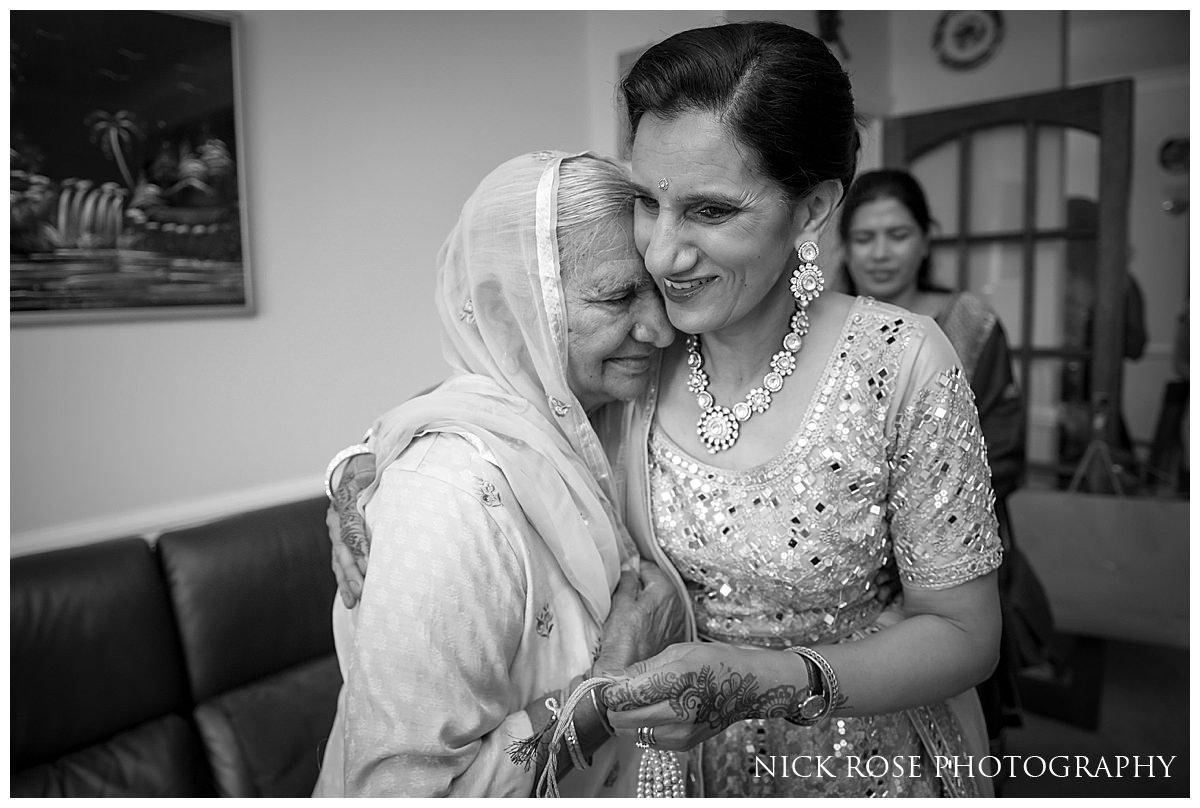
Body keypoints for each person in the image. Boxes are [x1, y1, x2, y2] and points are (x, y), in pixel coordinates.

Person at [332, 21, 1001, 799]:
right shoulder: (640, 355)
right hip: (670, 767)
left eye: (711, 211)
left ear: (813, 209)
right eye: (648, 200)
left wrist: (766, 682)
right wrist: (363, 473)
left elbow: (965, 634)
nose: (661, 253)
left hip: (853, 757)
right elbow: (489, 403)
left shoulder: (900, 363)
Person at [311, 151, 688, 797]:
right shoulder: (443, 503)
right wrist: (611, 685)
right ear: (513, 307)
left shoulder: (601, 421)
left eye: (659, 289)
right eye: (619, 296)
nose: (658, 329)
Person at [837, 167, 1053, 772]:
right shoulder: (826, 324)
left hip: (952, 546)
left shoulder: (970, 323)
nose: (880, 253)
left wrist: (922, 523)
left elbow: (1002, 449)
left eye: (898, 234)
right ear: (843, 243)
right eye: (864, 236)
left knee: (957, 704)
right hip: (845, 555)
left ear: (927, 238)